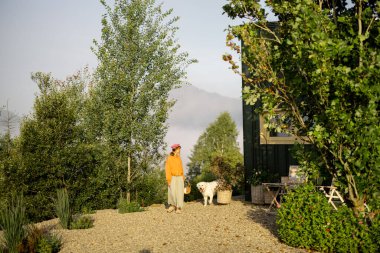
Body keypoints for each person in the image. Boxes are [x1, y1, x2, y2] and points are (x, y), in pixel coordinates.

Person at [165, 143, 184, 214]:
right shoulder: (169, 158)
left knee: (179, 193)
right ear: (174, 150)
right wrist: (168, 180)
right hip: (172, 177)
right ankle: (172, 206)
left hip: (179, 177)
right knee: (172, 192)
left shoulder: (179, 158)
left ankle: (178, 207)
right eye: (178, 149)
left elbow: (181, 168)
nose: (179, 151)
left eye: (179, 149)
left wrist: (183, 177)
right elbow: (167, 169)